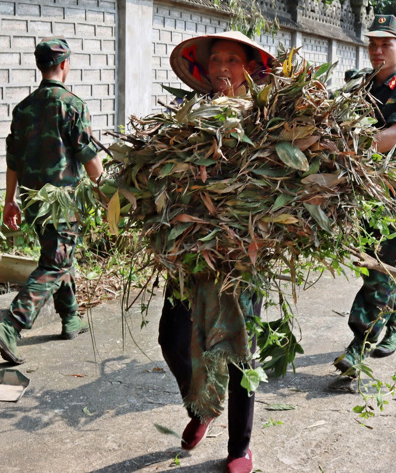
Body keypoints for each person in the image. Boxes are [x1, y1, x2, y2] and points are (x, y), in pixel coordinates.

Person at [163, 30, 274, 473]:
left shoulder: (265, 119)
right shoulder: (187, 118)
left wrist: (259, 237)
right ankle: (202, 406)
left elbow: (285, 185)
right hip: (192, 251)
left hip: (245, 250)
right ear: (204, 70)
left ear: (248, 69)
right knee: (172, 337)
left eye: (232, 59)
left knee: (240, 346)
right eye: (215, 61)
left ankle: (240, 447)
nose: (222, 67)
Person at [0, 38, 104, 365]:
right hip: (63, 201)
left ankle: (70, 318)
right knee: (54, 261)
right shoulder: (72, 105)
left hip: (32, 201)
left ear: (40, 65)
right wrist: (109, 191)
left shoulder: (23, 109)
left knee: (57, 254)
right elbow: (90, 159)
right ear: (65, 65)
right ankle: (11, 327)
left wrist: (10, 201)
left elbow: (13, 159)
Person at [334, 15, 396, 375]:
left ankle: (359, 344)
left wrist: (342, 148)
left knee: (381, 267)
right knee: (372, 264)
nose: (377, 50)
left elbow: (394, 136)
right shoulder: (358, 85)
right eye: (372, 43)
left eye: (385, 44)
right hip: (362, 189)